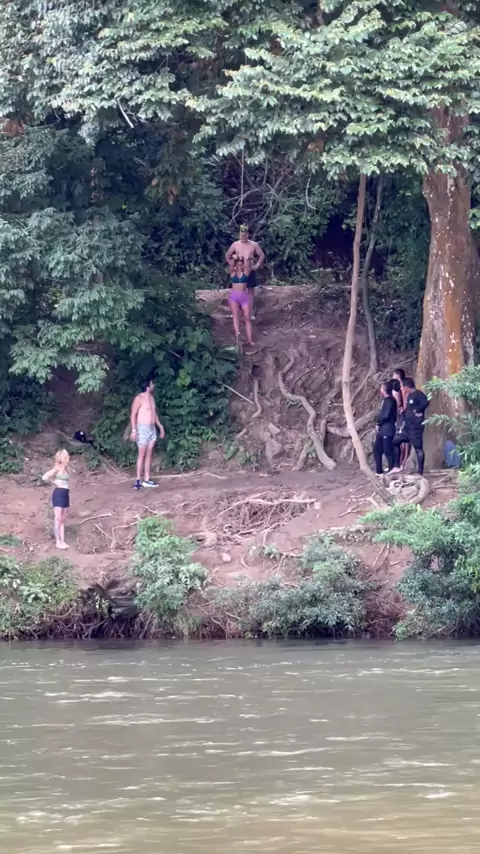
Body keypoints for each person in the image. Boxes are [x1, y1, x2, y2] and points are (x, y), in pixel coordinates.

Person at [130, 379, 165, 490]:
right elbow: (133, 414)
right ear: (148, 386)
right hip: (142, 428)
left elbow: (154, 414)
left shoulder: (151, 398)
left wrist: (160, 426)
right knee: (141, 454)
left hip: (151, 428)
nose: (153, 385)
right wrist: (134, 430)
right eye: (152, 384)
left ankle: (146, 479)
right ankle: (137, 480)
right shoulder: (139, 398)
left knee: (149, 454)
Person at [225, 224, 265, 318]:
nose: (243, 237)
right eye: (241, 236)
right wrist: (232, 264)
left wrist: (257, 265)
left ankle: (250, 312)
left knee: (250, 291)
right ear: (239, 235)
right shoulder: (235, 244)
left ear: (248, 234)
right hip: (239, 271)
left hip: (250, 270)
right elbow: (227, 255)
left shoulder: (254, 244)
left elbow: (262, 255)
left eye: (245, 235)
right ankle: (236, 312)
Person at [392, 378, 429, 475]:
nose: (401, 389)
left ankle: (420, 472)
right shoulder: (409, 396)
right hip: (407, 428)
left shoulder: (418, 394)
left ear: (407, 387)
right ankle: (396, 465)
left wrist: (418, 410)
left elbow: (426, 402)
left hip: (415, 428)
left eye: (402, 387)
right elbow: (409, 409)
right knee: (395, 441)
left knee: (418, 449)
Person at [42, 449, 71, 550]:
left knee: (63, 518)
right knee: (58, 518)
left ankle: (62, 541)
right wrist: (54, 482)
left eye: (67, 457)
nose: (68, 459)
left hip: (65, 494)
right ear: (61, 458)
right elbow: (44, 477)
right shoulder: (57, 468)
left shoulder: (66, 468)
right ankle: (58, 542)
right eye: (65, 457)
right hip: (58, 493)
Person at [227, 256, 253, 347]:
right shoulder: (233, 273)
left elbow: (248, 267)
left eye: (241, 265)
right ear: (235, 266)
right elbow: (231, 266)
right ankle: (237, 335)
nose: (239, 266)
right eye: (238, 265)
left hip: (244, 297)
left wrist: (245, 258)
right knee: (235, 315)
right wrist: (234, 259)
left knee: (247, 317)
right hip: (234, 297)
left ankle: (249, 340)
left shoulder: (245, 273)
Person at [373, 380, 397, 475]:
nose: (380, 390)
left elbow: (386, 415)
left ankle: (392, 469)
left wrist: (379, 423)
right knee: (377, 449)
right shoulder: (386, 400)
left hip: (387, 428)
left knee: (388, 450)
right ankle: (379, 470)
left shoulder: (390, 400)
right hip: (383, 429)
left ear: (384, 390)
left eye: (381, 388)